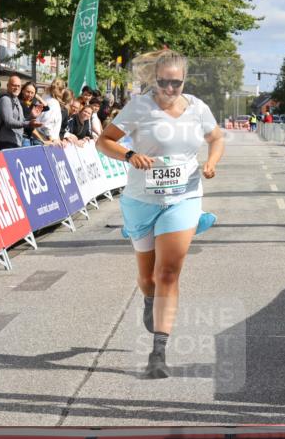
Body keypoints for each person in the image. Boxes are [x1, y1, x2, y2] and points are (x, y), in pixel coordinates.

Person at [95, 48, 225, 379]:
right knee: (147, 277)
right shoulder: (139, 107)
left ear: (185, 81)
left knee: (168, 272)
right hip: (141, 200)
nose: (169, 89)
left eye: (176, 83)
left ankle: (158, 352)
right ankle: (149, 300)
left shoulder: (197, 108)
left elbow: (216, 138)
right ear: (155, 80)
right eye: (164, 82)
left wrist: (210, 163)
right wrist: (129, 155)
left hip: (184, 197)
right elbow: (104, 141)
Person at [0, 75, 39, 149]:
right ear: (8, 86)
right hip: (6, 142)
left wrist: (31, 116)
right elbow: (9, 122)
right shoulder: (5, 100)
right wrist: (28, 123)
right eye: (14, 85)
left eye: (18, 86)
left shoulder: (16, 100)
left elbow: (21, 121)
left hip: (16, 142)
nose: (16, 88)